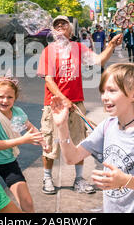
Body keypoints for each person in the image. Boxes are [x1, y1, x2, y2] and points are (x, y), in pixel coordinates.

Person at [50, 63, 134, 213]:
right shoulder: (108, 125)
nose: (105, 97)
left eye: (112, 91)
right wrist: (62, 127)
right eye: (103, 91)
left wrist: (125, 180)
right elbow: (71, 157)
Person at [37, 15, 123, 195]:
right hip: (54, 105)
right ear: (53, 31)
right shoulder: (49, 50)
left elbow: (98, 60)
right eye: (56, 24)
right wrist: (62, 98)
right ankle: (47, 178)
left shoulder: (78, 48)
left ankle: (78, 179)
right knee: (50, 143)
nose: (60, 26)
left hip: (76, 103)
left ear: (70, 30)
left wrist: (112, 46)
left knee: (79, 142)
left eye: (64, 24)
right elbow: (49, 80)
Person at [0, 74, 50, 212]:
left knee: (28, 203)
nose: (5, 100)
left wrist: (43, 143)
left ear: (15, 97)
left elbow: (31, 129)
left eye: (9, 97)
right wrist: (23, 140)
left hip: (9, 163)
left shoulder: (18, 113)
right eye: (1, 96)